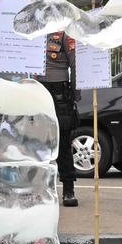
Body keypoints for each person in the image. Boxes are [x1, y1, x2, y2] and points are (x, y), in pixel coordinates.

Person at [38, 31, 79, 208]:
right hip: (34, 88)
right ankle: (39, 189)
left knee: (62, 142)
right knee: (35, 142)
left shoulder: (64, 31)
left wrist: (76, 91)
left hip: (59, 91)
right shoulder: (30, 27)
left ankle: (68, 189)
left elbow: (75, 63)